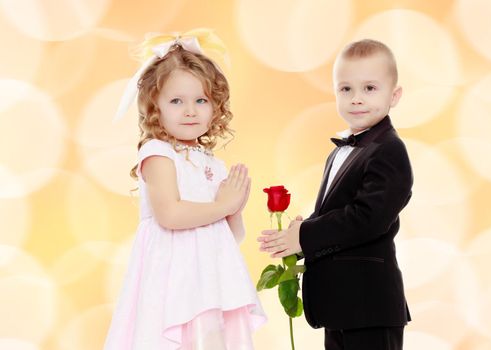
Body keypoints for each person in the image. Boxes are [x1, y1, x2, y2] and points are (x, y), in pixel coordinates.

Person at [104, 30, 266, 350]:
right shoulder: (158, 154)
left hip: (211, 279)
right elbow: (170, 214)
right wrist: (222, 206)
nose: (190, 110)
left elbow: (230, 237)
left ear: (215, 106)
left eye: (201, 100)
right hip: (172, 277)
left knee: (212, 339)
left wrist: (235, 208)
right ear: (156, 107)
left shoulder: (212, 163)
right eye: (176, 101)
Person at [258, 39, 413, 350]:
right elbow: (336, 213)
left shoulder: (389, 149)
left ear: (394, 96)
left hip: (369, 304)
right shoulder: (342, 151)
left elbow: (368, 218)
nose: (356, 99)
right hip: (341, 305)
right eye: (346, 89)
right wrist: (296, 237)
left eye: (370, 88)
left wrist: (308, 234)